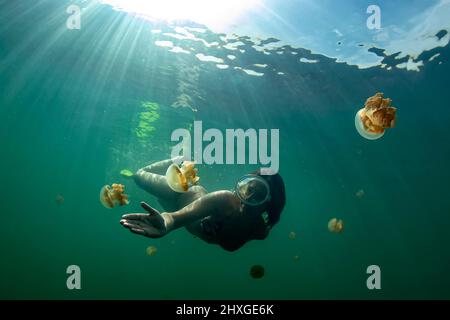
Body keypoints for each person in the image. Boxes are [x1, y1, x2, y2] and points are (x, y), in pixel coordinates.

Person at [120, 157, 286, 252]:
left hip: (174, 206)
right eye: (247, 189)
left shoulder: (259, 231)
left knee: (147, 186)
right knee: (139, 175)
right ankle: (175, 160)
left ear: (270, 204)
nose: (247, 197)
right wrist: (164, 223)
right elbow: (174, 218)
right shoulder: (224, 200)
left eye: (258, 196)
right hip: (180, 193)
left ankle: (177, 164)